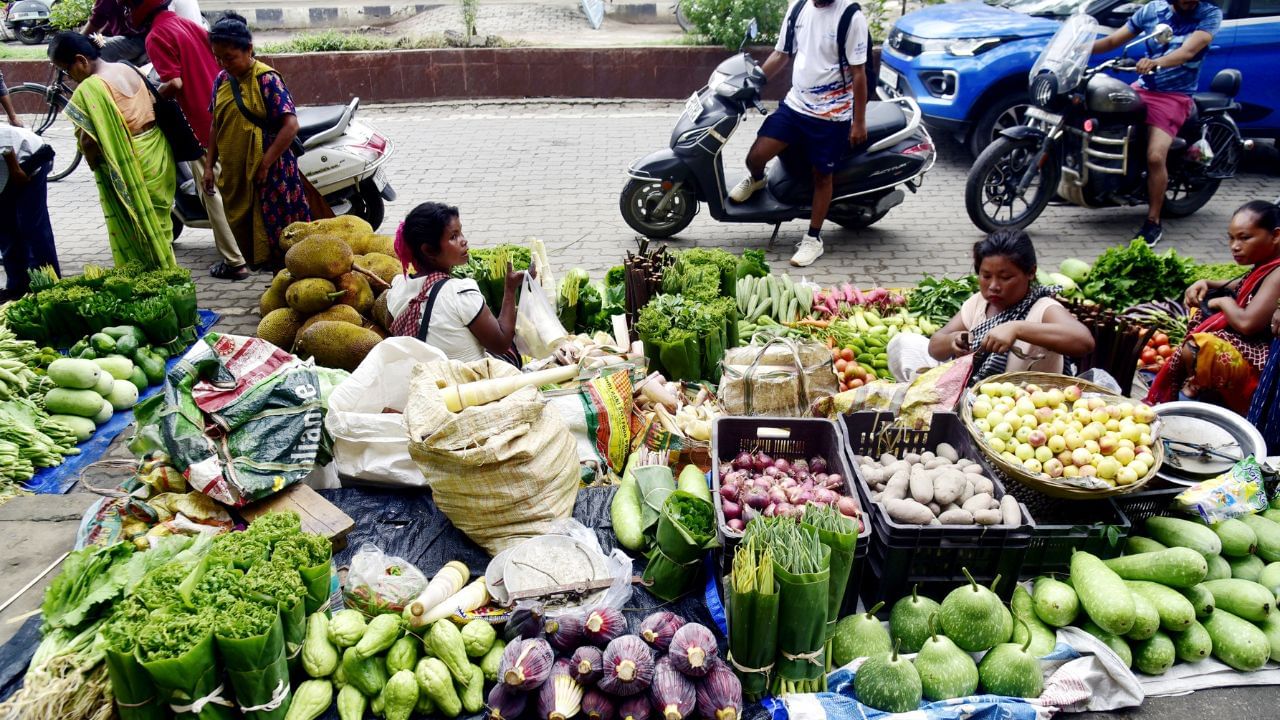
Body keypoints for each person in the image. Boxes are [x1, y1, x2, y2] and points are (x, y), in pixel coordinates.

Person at [726, 0, 869, 268]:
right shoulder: (799, 7)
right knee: (756, 156)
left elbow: (859, 73)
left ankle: (813, 238)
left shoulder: (851, 16)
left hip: (832, 114)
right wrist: (751, 85)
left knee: (822, 176)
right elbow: (781, 54)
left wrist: (858, 121)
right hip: (796, 105)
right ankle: (757, 180)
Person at [1090, 0, 1221, 248]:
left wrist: (1156, 63)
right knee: (1103, 122)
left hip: (1175, 95)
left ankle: (1153, 222)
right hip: (1143, 88)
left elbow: (1187, 52)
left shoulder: (1209, 14)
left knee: (1154, 156)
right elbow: (1112, 42)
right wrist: (1079, 48)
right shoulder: (1152, 10)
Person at [887, 229, 1095, 384]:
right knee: (903, 344)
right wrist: (953, 342)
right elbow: (936, 345)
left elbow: (1083, 341)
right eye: (986, 276)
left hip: (1021, 406)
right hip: (971, 388)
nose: (994, 286)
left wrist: (1017, 328)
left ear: (1031, 272)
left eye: (1006, 277)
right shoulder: (980, 302)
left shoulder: (1043, 307)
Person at [135, 0, 248, 280]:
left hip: (199, 123)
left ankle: (235, 262)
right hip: (225, 112)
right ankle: (249, 249)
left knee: (211, 193)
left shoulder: (156, 36)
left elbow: (174, 83)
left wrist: (149, 100)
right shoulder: (189, 25)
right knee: (235, 189)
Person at [49, 31, 178, 270]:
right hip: (158, 154)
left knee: (139, 238)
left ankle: (153, 290)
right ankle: (169, 277)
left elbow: (89, 143)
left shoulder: (90, 89)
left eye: (67, 70)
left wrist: (93, 163)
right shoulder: (128, 68)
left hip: (133, 162)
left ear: (81, 60)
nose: (69, 77)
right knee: (160, 229)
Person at [1148, 201, 1280, 414]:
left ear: (1275, 236)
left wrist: (1221, 302)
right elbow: (1243, 285)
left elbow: (1247, 324)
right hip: (1249, 345)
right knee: (1198, 316)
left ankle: (1198, 393)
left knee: (1200, 348)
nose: (1235, 246)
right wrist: (1208, 283)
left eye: (1245, 238)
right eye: (1231, 237)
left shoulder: (1277, 273)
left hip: (1261, 362)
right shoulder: (1265, 265)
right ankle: (1198, 388)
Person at [205, 12, 312, 270]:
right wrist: (209, 166)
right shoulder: (221, 80)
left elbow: (291, 126)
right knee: (251, 234)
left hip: (272, 174)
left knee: (280, 236)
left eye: (229, 57)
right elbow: (216, 123)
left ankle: (286, 281)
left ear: (248, 49)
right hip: (239, 175)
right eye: (218, 58)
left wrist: (265, 163)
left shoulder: (267, 80)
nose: (223, 64)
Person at [385, 202, 528, 366]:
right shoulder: (461, 293)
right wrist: (510, 290)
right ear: (429, 250)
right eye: (453, 237)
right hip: (465, 384)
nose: (464, 241)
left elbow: (392, 331)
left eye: (461, 232)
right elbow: (501, 343)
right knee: (512, 348)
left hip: (424, 381)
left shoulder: (397, 288)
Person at [0, 123, 59, 300]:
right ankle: (18, 287)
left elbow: (4, 139)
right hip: (6, 173)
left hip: (27, 159)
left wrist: (16, 169)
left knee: (32, 226)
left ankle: (48, 286)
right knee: (6, 228)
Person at [82, 0, 148, 64]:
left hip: (139, 40)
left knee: (91, 50)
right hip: (137, 38)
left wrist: (77, 44)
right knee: (94, 41)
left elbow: (96, 21)